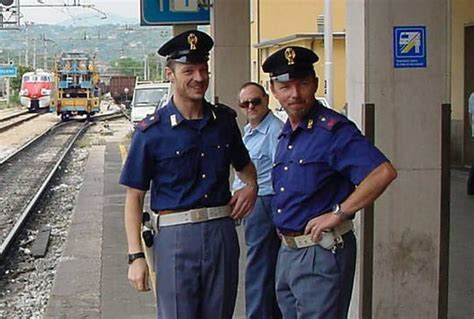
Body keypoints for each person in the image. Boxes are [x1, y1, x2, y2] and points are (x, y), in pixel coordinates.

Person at [119, 30, 258, 319]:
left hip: (221, 233)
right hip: (174, 237)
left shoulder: (224, 122)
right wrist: (135, 257)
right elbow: (134, 198)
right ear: (170, 74)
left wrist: (251, 188)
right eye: (189, 70)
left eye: (203, 69)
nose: (199, 77)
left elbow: (246, 170)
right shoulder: (151, 132)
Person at [262, 46, 397, 319]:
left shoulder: (332, 130)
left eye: (302, 84)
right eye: (285, 86)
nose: (295, 94)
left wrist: (340, 213)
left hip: (320, 253)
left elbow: (382, 172)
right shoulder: (287, 133)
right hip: (288, 252)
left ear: (315, 84)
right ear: (273, 90)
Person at [232, 82, 283, 319]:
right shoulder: (250, 130)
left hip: (264, 202)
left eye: (256, 101)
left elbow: (282, 174)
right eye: (245, 103)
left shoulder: (274, 131)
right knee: (264, 268)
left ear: (266, 100)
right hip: (252, 205)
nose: (251, 106)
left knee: (258, 269)